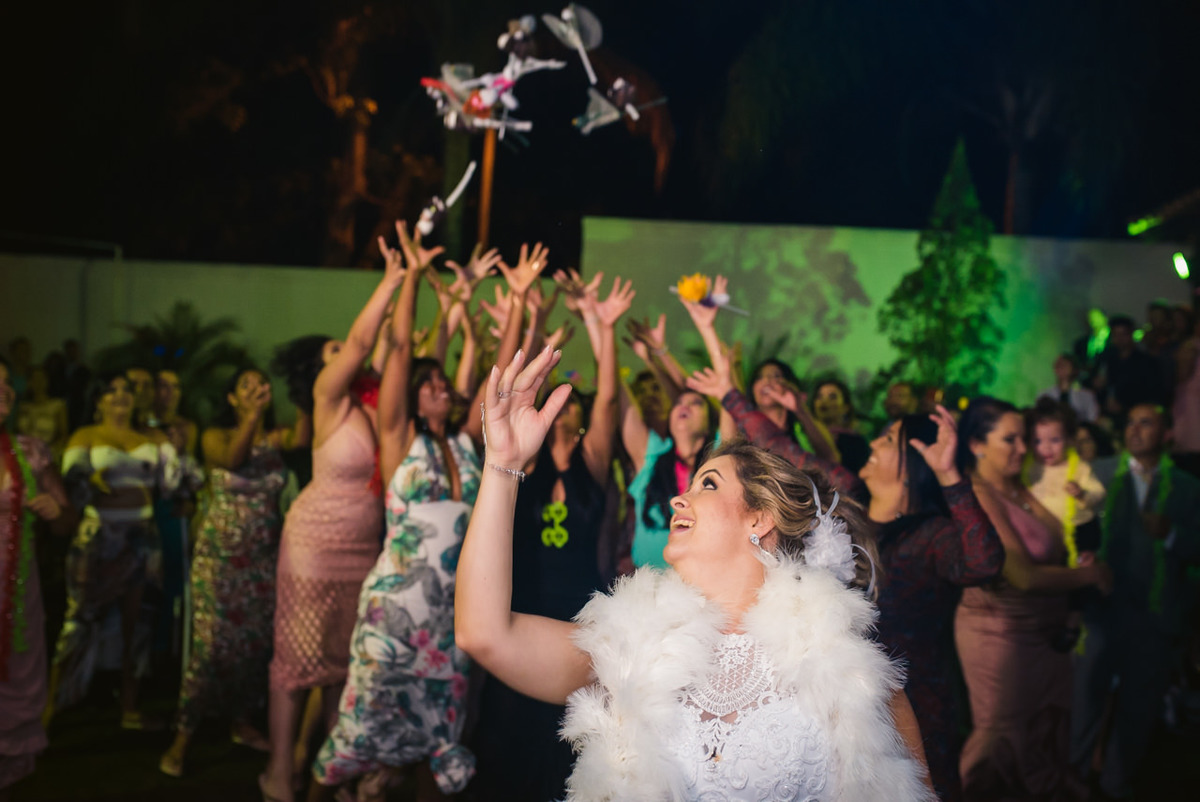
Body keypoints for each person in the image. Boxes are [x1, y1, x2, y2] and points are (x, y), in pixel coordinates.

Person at [455, 347, 937, 801]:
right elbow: (484, 633)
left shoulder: (852, 673)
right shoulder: (631, 646)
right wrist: (503, 463)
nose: (677, 499)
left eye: (708, 483)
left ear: (759, 517)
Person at [307, 232, 526, 801]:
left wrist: (520, 302)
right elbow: (400, 350)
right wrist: (405, 277)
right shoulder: (398, 438)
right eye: (427, 384)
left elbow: (500, 376)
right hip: (397, 610)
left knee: (439, 731)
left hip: (452, 609)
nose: (436, 388)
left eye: (439, 383)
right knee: (362, 724)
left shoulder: (465, 444)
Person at [260, 236, 418, 802]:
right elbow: (362, 339)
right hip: (311, 546)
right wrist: (390, 278)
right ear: (318, 369)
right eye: (332, 351)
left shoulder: (375, 404)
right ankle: (280, 772)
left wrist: (413, 281)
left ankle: (328, 767)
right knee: (297, 663)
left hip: (362, 548)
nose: (344, 354)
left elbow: (397, 345)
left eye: (341, 351)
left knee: (339, 669)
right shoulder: (330, 399)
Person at [471, 273, 632, 802]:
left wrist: (602, 328)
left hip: (581, 612)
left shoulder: (591, 463)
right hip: (524, 603)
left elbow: (609, 398)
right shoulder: (526, 461)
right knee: (509, 738)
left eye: (576, 407)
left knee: (567, 744)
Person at [952, 397, 1111, 801]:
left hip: (1047, 636)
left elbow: (1057, 545)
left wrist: (1081, 559)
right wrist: (1088, 575)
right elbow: (1021, 575)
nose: (1025, 449)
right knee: (1001, 743)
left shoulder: (1020, 485)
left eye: (1025, 438)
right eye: (1012, 439)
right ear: (976, 444)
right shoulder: (977, 494)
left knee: (1044, 735)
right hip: (1001, 637)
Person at [159, 366, 311, 777]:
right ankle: (183, 736)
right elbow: (234, 459)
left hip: (262, 561)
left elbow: (303, 437)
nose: (257, 389)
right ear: (231, 398)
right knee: (209, 650)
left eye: (261, 383)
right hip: (220, 562)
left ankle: (241, 722)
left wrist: (305, 391)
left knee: (254, 646)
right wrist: (251, 419)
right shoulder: (215, 436)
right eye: (246, 386)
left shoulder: (276, 437)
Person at [857, 408, 1005, 802]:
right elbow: (791, 453)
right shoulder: (849, 520)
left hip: (919, 702)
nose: (872, 444)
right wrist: (730, 397)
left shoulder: (931, 535)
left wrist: (949, 477)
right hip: (850, 699)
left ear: (912, 466)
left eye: (887, 440)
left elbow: (984, 561)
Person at [1070, 403, 1200, 800]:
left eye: (1146, 422)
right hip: (1101, 610)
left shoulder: (1187, 486)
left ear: (1166, 434)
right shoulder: (1100, 474)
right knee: (1083, 701)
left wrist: (1172, 535)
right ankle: (1068, 781)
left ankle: (1115, 783)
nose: (1135, 429)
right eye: (1130, 422)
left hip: (1155, 618)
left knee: (1138, 708)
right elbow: (1070, 530)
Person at [48, 372, 189, 729]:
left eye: (127, 390)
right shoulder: (86, 436)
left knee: (138, 622)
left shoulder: (150, 437)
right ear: (98, 401)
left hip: (141, 535)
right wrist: (88, 483)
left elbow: (175, 487)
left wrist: (177, 450)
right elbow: (70, 490)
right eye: (111, 390)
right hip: (98, 536)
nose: (121, 395)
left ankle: (130, 707)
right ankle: (50, 705)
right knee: (79, 619)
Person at [0, 356, 73, 801]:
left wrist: (54, 508)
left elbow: (66, 521)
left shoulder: (29, 451)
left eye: (8, 383)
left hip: (15, 604)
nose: (5, 390)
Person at [812, 378, 871, 473]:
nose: (824, 402)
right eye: (819, 397)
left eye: (832, 397)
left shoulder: (856, 443)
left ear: (845, 407)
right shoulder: (806, 436)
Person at [15, 365, 69, 459]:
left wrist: (50, 453)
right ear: (29, 382)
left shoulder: (57, 405)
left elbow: (63, 435)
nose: (38, 383)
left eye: (41, 378)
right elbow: (17, 433)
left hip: (47, 457)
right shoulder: (23, 407)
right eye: (34, 379)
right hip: (23, 457)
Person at [1037, 353, 1100, 424]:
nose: (1061, 368)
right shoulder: (1044, 394)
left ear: (1074, 369)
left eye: (1064, 365)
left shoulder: (1087, 395)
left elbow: (1092, 419)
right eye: (1058, 365)